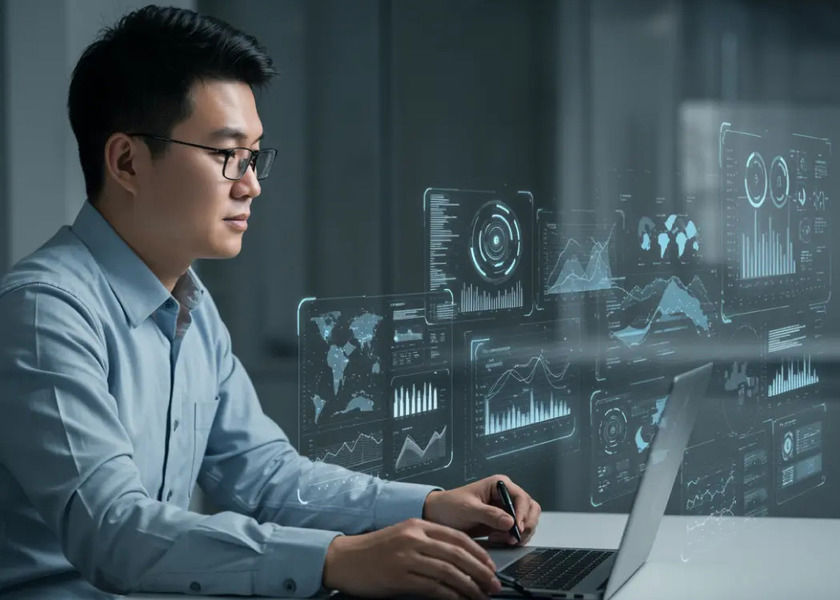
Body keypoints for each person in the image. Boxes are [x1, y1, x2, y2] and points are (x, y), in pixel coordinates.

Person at [0, 5, 541, 599]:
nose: (251, 183)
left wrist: (434, 506)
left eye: (254, 156)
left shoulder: (191, 310)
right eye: (227, 153)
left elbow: (266, 478)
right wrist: (338, 560)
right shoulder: (43, 313)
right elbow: (114, 532)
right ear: (127, 161)